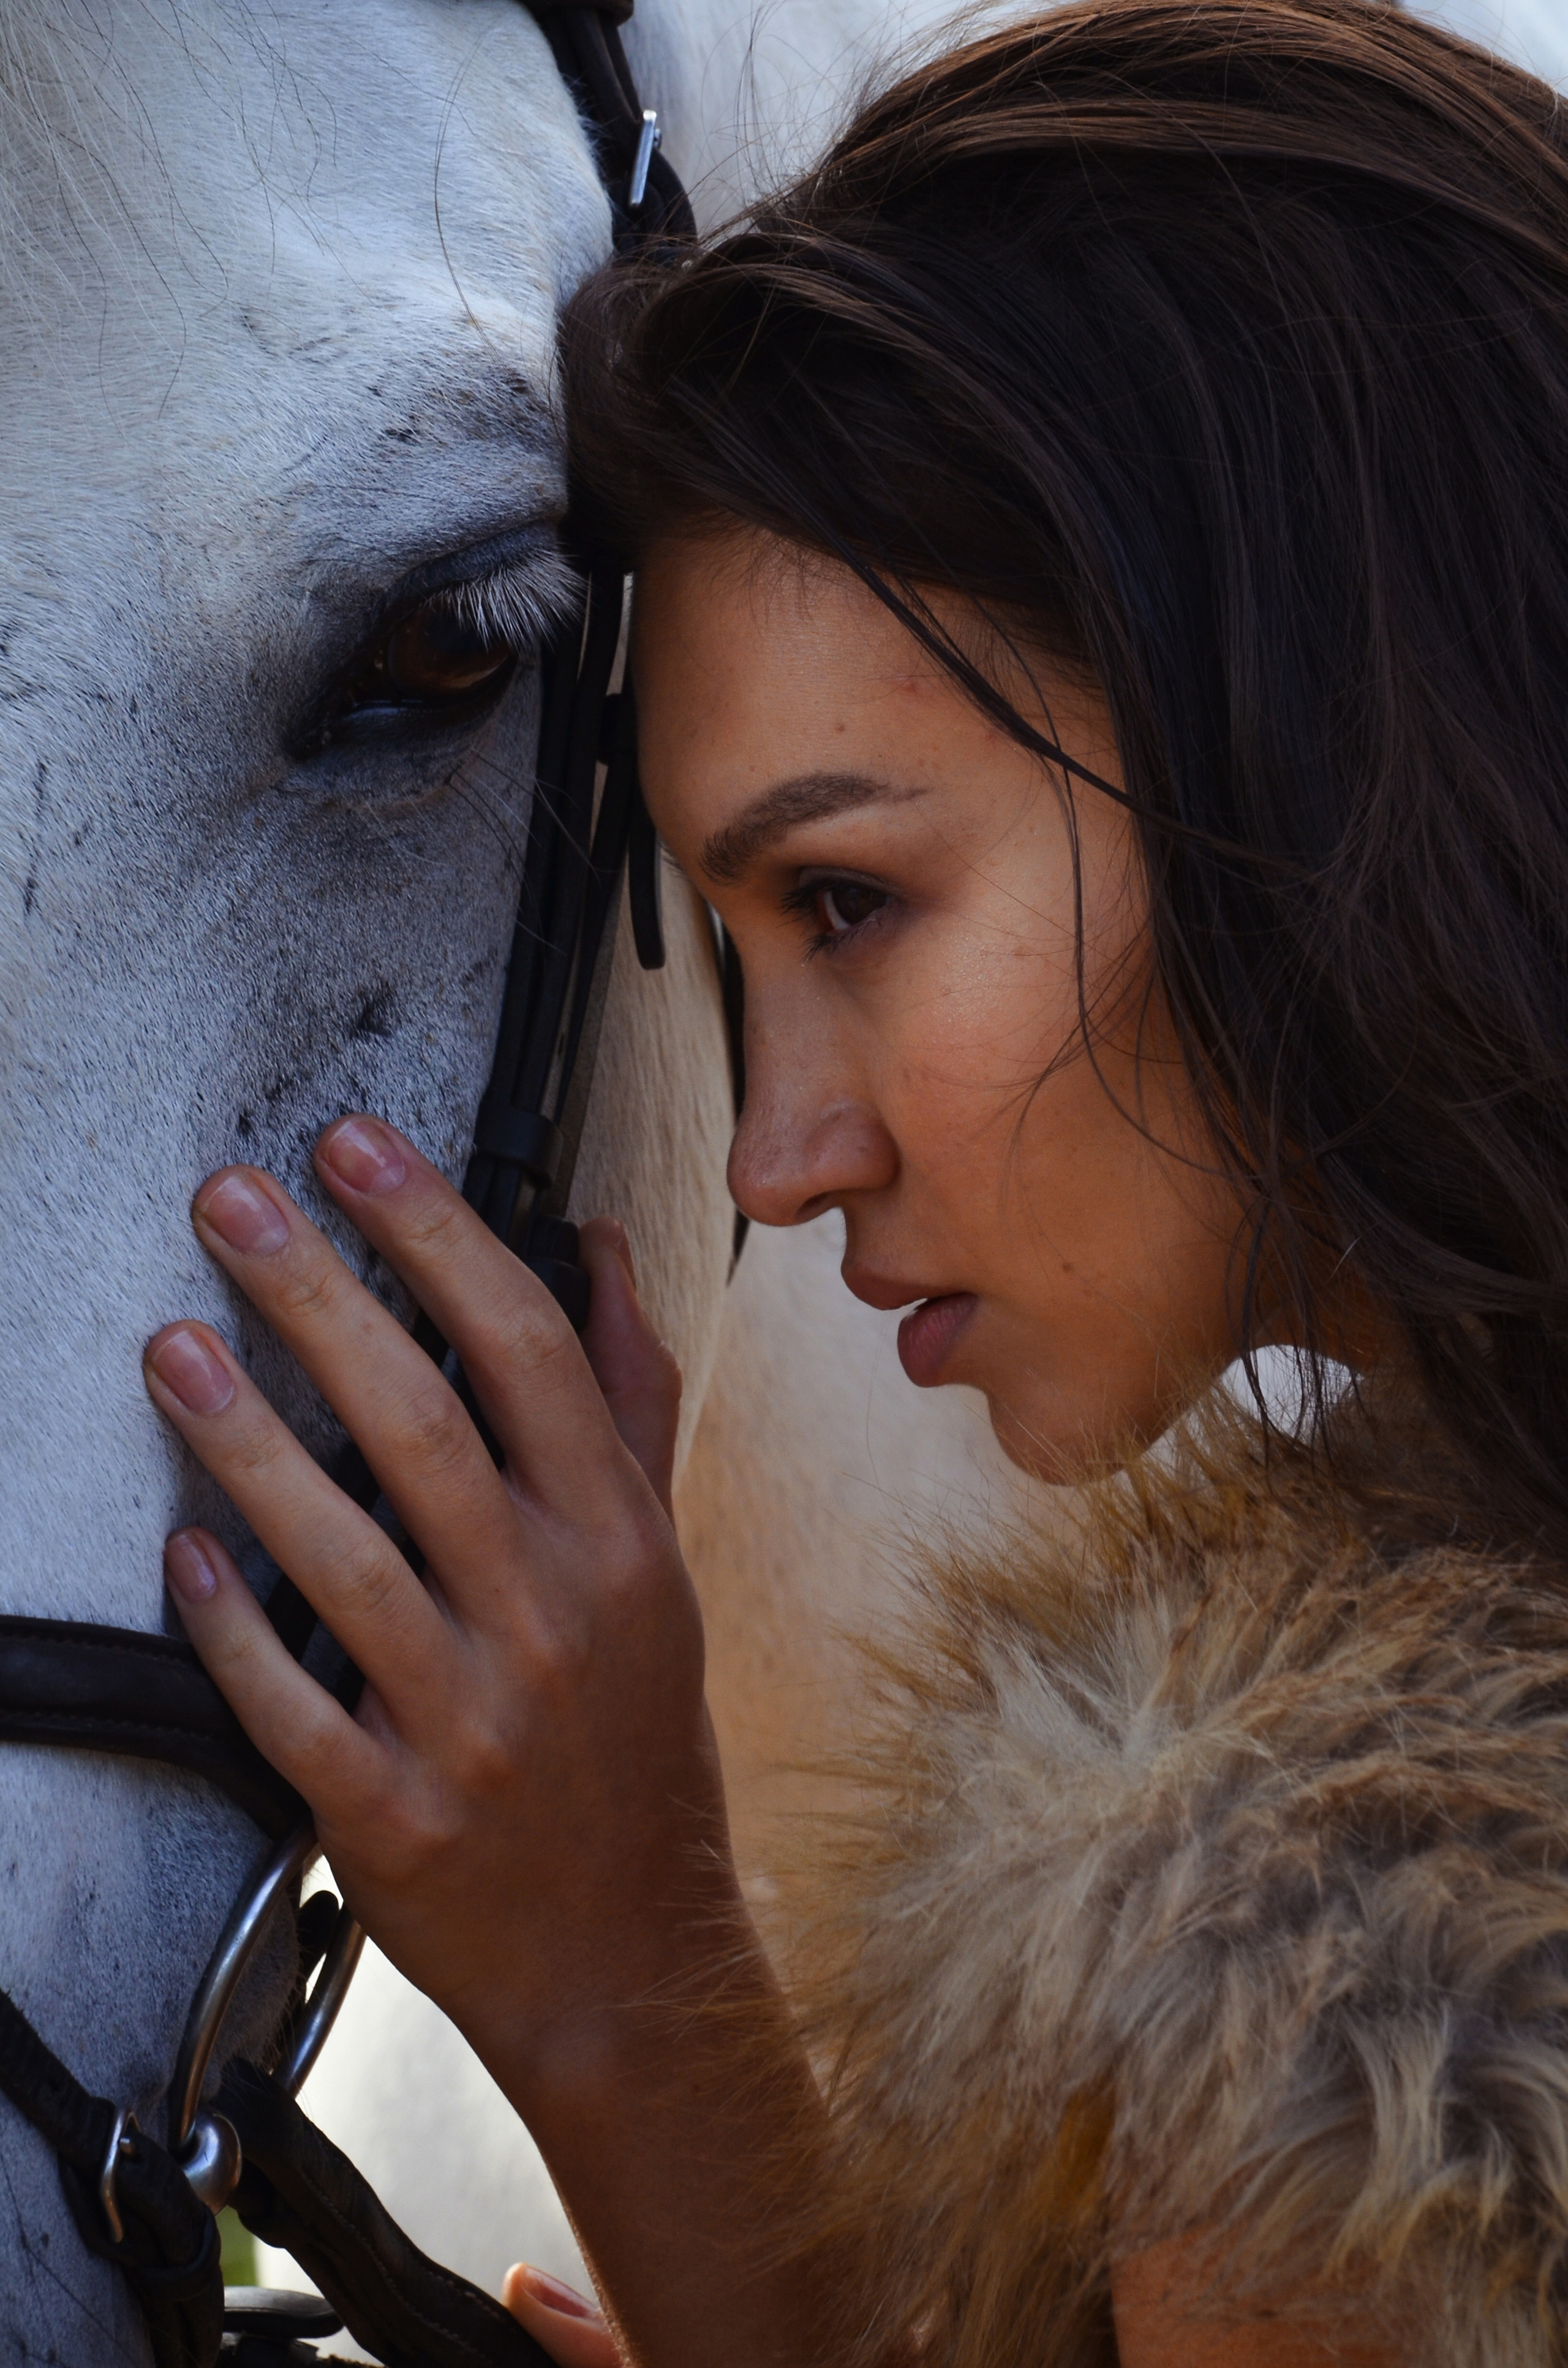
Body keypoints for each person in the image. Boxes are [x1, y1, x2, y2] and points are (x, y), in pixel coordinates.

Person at [138, 1, 1568, 2359]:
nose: (778, 1160)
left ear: (1307, 736)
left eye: (848, 902)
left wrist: (623, 1974)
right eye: (733, 952)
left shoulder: (1363, 2012)